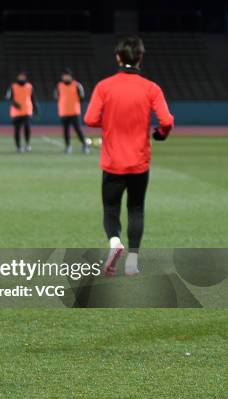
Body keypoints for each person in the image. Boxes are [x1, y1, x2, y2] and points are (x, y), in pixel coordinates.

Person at [84, 35, 173, 276]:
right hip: (139, 162)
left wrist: (110, 121)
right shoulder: (151, 88)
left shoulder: (104, 86)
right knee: (136, 209)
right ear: (140, 58)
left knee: (110, 208)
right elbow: (166, 120)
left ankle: (114, 242)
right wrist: (161, 134)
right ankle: (132, 261)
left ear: (118, 57)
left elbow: (90, 119)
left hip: (113, 162)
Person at [54, 68, 89, 154]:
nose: (65, 77)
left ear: (70, 76)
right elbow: (56, 97)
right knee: (65, 131)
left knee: (78, 130)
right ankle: (68, 146)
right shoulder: (59, 86)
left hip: (74, 112)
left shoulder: (77, 85)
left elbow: (82, 97)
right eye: (64, 75)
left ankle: (84, 145)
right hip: (63, 112)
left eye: (67, 75)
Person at [6, 71, 39, 152]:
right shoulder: (13, 86)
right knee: (17, 129)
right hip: (16, 112)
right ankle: (18, 147)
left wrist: (36, 109)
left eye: (23, 76)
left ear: (25, 77)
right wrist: (15, 103)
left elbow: (33, 98)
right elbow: (8, 97)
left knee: (27, 127)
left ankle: (27, 144)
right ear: (17, 77)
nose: (21, 78)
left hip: (27, 110)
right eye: (20, 76)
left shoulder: (29, 86)